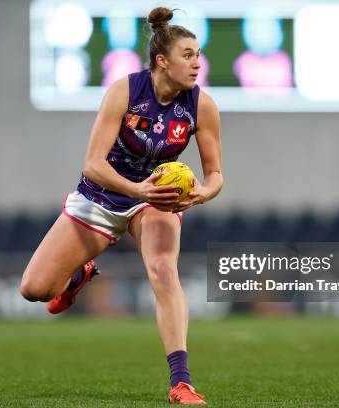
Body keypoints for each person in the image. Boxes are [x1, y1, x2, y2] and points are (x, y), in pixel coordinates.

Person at [20, 6, 222, 405]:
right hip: (103, 195)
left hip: (156, 202)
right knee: (35, 290)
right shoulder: (125, 91)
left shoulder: (201, 105)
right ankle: (79, 275)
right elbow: (92, 164)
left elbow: (216, 174)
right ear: (161, 61)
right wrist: (138, 189)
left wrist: (202, 192)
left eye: (198, 55)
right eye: (187, 55)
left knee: (164, 271)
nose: (197, 63)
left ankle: (181, 382)